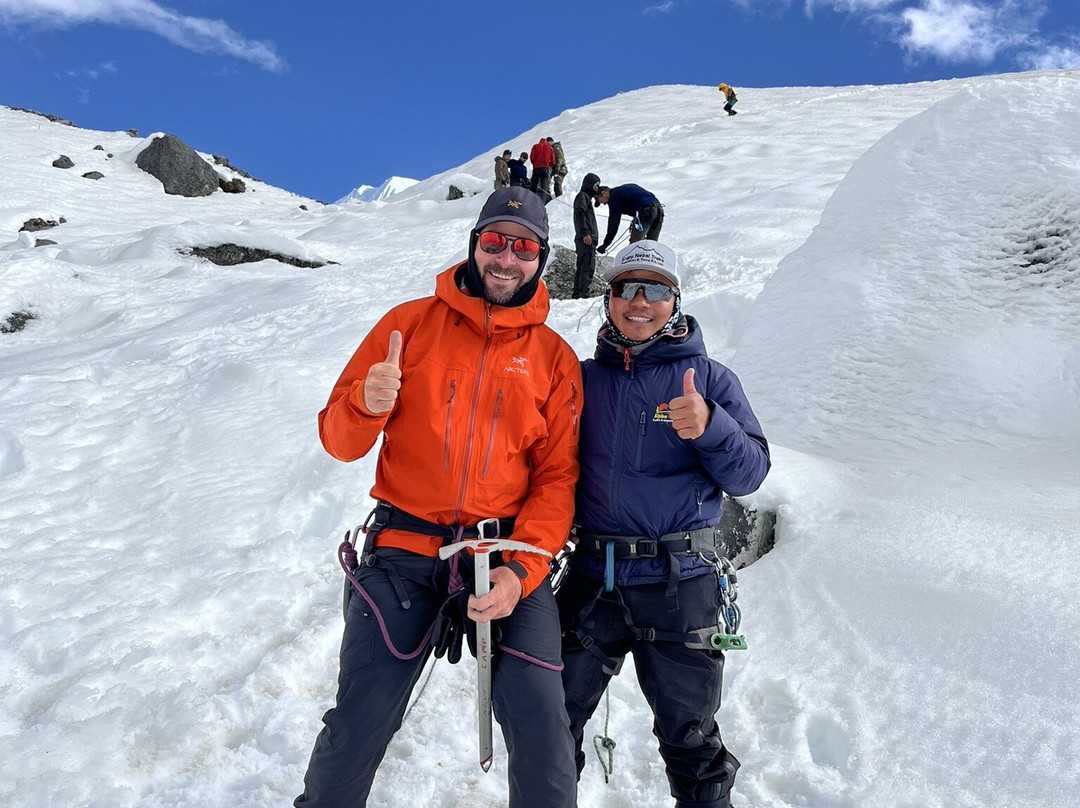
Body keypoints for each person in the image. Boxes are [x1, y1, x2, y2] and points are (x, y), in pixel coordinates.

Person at [296, 186, 582, 808]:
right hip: (403, 549)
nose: (507, 259)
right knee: (360, 720)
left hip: (504, 556)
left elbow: (557, 478)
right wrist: (366, 406)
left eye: (525, 247)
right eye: (495, 242)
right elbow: (338, 441)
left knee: (541, 725)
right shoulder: (408, 326)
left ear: (541, 258)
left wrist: (523, 571)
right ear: (474, 244)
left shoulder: (554, 359)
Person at [557, 240, 770, 808]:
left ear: (674, 300)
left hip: (681, 582)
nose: (640, 301)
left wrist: (711, 426)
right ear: (610, 299)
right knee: (550, 725)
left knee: (691, 739)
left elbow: (751, 474)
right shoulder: (580, 380)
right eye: (627, 287)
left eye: (655, 289)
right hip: (591, 577)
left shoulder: (709, 380)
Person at [595, 183, 664, 253]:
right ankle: (650, 261)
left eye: (601, 201)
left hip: (646, 210)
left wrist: (605, 244)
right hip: (659, 209)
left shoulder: (614, 197)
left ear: (604, 193)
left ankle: (635, 263)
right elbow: (637, 199)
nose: (604, 204)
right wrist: (635, 219)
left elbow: (613, 224)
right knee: (651, 245)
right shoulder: (623, 190)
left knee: (635, 246)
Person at [571, 172, 601, 299]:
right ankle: (583, 292)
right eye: (595, 185)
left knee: (584, 265)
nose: (597, 188)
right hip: (586, 238)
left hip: (587, 238)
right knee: (587, 266)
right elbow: (580, 213)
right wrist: (585, 232)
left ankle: (579, 292)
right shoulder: (582, 196)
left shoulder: (586, 198)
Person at [529, 136, 556, 201]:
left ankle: (530, 200)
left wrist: (535, 164)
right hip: (545, 169)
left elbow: (532, 158)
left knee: (533, 186)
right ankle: (542, 203)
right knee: (544, 188)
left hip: (536, 169)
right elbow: (553, 161)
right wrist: (549, 165)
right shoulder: (549, 148)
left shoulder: (535, 146)